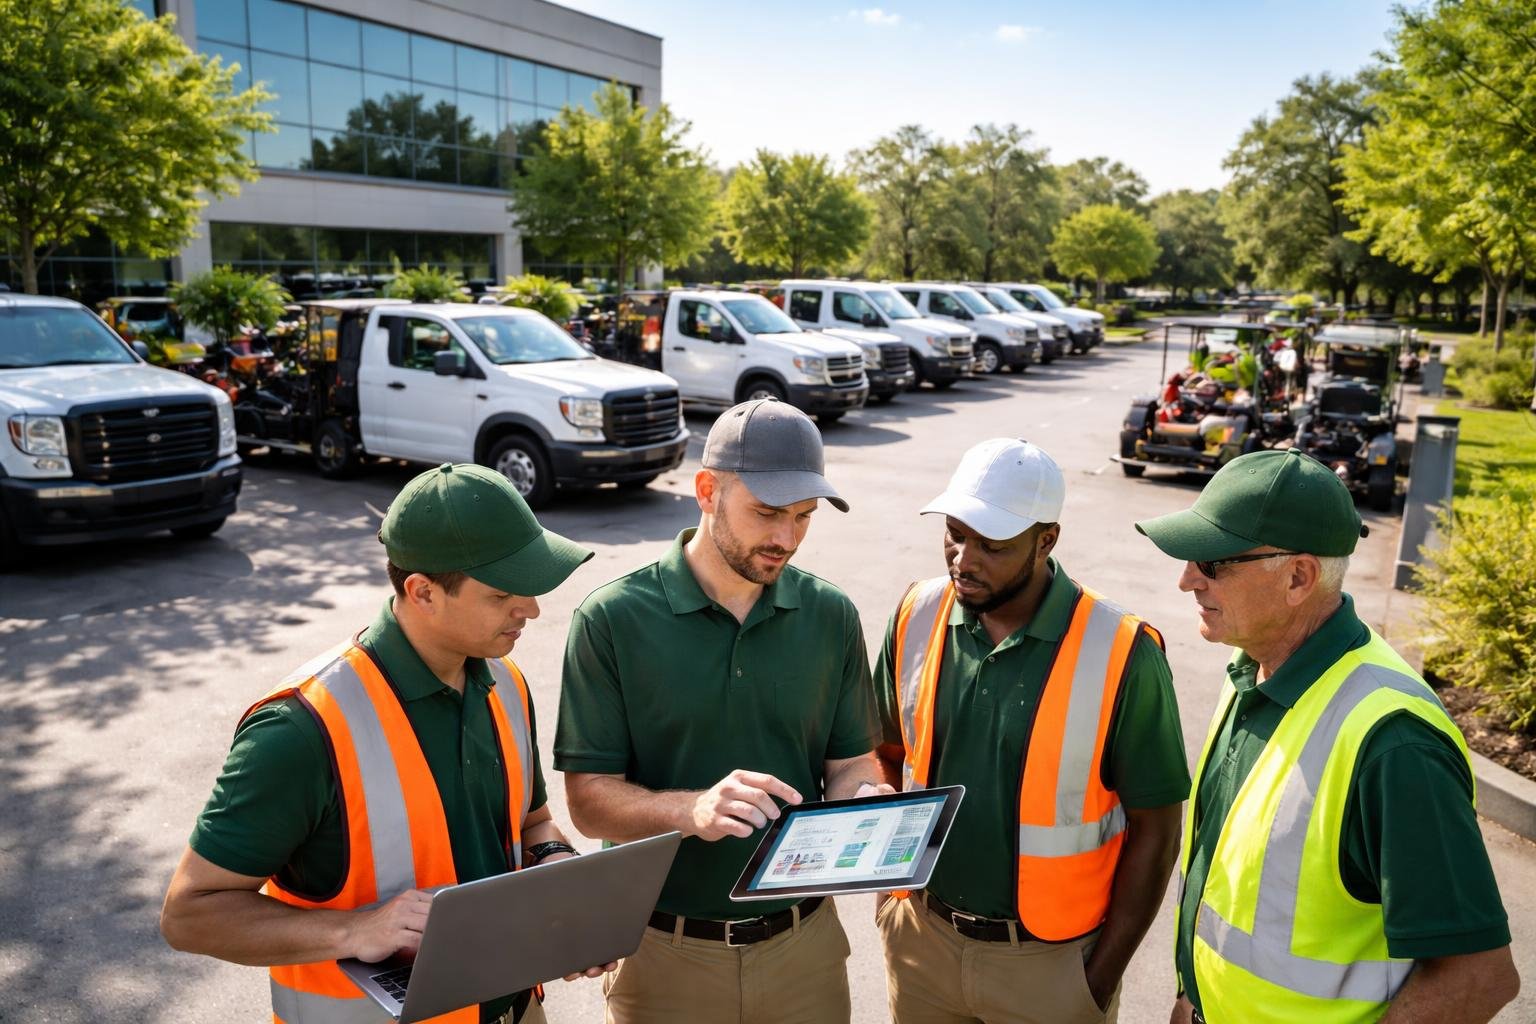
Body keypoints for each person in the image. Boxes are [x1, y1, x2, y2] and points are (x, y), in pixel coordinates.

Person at [160, 463, 602, 1024]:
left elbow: (531, 822)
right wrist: (355, 929)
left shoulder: (504, 684)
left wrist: (561, 875)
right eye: (502, 595)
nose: (532, 610)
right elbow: (188, 915)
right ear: (422, 592)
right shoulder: (299, 729)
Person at [1136, 447, 1520, 1024]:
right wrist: (1194, 1001)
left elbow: (1478, 976)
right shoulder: (1254, 668)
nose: (1187, 579)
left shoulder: (1394, 745)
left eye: (1212, 562)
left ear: (1298, 577)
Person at [556, 398, 889, 1024]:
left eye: (803, 516)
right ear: (706, 490)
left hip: (804, 951)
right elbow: (587, 798)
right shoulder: (612, 620)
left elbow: (850, 763)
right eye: (765, 513)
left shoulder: (830, 615)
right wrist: (692, 809)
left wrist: (864, 800)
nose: (785, 538)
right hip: (663, 954)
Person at [872, 437, 1190, 1024]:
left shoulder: (1122, 652)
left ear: (1047, 541)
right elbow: (886, 754)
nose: (963, 559)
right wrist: (889, 900)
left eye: (992, 545)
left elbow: (1158, 829)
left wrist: (1096, 980)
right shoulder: (916, 613)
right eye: (955, 533)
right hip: (922, 944)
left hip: (1052, 969)